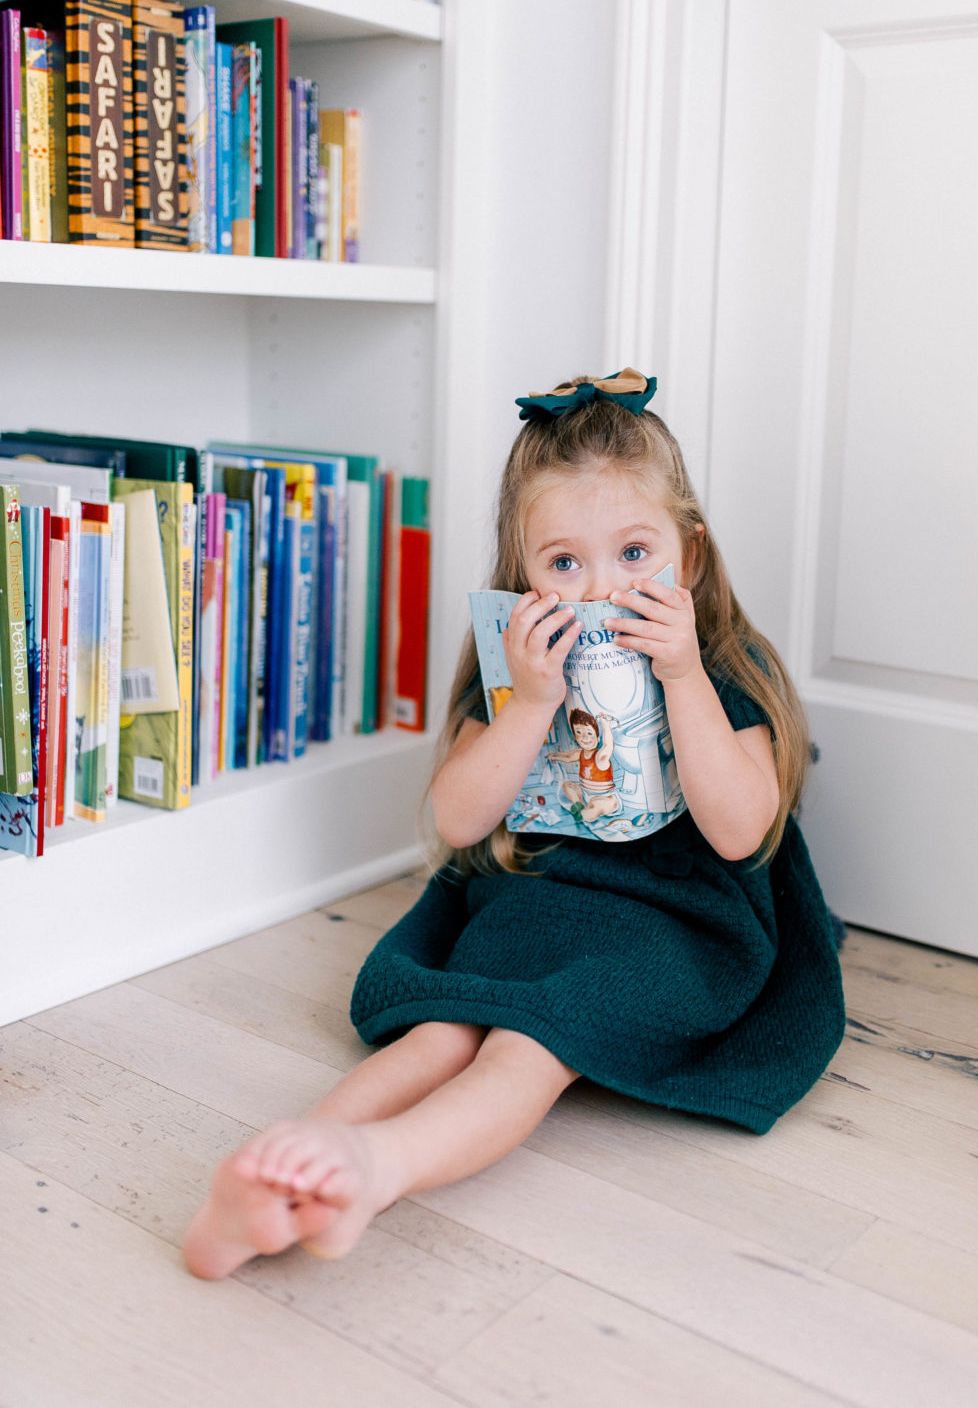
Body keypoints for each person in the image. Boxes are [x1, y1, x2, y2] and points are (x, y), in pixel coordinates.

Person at [182, 368, 846, 1280]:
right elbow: (459, 816)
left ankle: (373, 1172)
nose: (601, 586)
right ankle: (284, 1161)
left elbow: (739, 833)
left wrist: (684, 678)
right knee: (444, 1029)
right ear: (523, 569)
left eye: (636, 553)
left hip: (679, 918)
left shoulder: (727, 668)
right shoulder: (515, 668)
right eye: (565, 562)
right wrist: (530, 703)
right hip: (543, 893)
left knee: (532, 1041)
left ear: (687, 556)